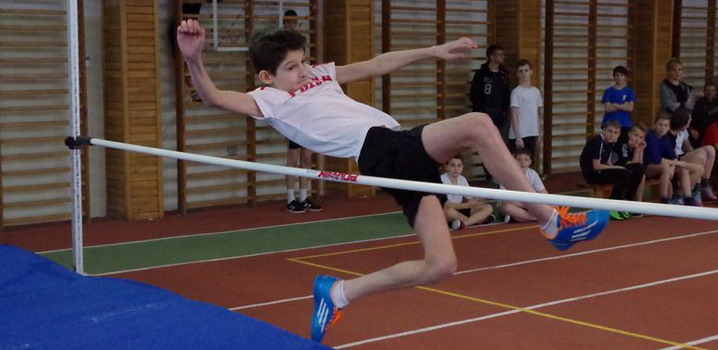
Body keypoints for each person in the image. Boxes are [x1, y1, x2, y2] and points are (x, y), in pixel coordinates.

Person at [176, 20, 609, 344]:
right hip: (378, 148)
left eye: (304, 60)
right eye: (292, 67)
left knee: (441, 264)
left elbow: (376, 64)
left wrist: (433, 50)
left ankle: (340, 292)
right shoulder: (267, 100)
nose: (304, 71)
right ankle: (551, 220)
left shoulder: (320, 75)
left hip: (395, 151)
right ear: (267, 77)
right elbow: (214, 97)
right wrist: (194, 59)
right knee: (478, 123)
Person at [281, 9, 322, 214]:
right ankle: (291, 198)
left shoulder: (308, 72)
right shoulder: (285, 72)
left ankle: (304, 197)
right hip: (293, 119)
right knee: (293, 159)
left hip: (308, 118)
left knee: (307, 158)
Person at [580, 121, 645, 220]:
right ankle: (613, 205)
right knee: (623, 173)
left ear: (618, 135)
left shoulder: (610, 143)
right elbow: (596, 166)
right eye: (610, 131)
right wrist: (617, 168)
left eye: (615, 132)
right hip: (592, 173)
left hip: (601, 170)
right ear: (604, 131)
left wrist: (616, 168)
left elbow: (608, 162)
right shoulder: (598, 141)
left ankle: (627, 201)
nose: (612, 135)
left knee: (639, 168)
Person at [470, 44, 510, 184]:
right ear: (491, 56)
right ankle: (489, 175)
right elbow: (474, 94)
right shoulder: (481, 74)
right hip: (485, 115)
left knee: (500, 147)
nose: (502, 57)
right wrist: (481, 111)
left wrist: (504, 111)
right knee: (486, 147)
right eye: (499, 54)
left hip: (500, 116)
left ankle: (500, 174)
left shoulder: (504, 74)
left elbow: (506, 95)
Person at [644, 115, 696, 206]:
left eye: (665, 125)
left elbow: (673, 155)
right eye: (660, 124)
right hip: (647, 167)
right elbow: (656, 159)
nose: (662, 128)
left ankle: (688, 197)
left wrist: (673, 167)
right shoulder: (650, 136)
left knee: (683, 168)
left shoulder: (665, 138)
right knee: (665, 167)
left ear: (668, 127)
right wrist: (675, 163)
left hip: (661, 167)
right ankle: (664, 198)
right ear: (654, 125)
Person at [669, 107, 717, 204]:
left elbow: (688, 146)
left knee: (710, 150)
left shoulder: (684, 131)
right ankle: (696, 190)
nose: (691, 120)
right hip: (675, 157)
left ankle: (704, 183)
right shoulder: (670, 131)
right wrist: (697, 156)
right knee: (700, 157)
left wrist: (694, 154)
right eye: (689, 119)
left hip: (682, 155)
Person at [440, 155, 495, 230]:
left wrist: (479, 200)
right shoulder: (441, 180)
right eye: (452, 165)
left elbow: (470, 197)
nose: (456, 168)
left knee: (488, 207)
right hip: (449, 211)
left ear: (462, 167)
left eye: (459, 165)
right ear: (446, 167)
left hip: (461, 209)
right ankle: (476, 221)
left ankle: (465, 223)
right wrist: (467, 205)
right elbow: (446, 205)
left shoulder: (462, 179)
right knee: (447, 211)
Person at [500, 148, 547, 223]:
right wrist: (528, 206)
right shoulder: (506, 175)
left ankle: (518, 218)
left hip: (531, 205)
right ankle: (534, 218)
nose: (523, 162)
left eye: (526, 160)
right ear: (514, 161)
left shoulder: (533, 174)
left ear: (530, 162)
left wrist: (541, 205)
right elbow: (506, 200)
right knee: (507, 208)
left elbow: (543, 193)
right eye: (519, 160)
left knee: (551, 204)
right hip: (516, 205)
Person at [508, 59, 543, 158]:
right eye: (521, 71)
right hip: (519, 135)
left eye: (526, 70)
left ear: (531, 71)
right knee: (517, 164)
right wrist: (518, 137)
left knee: (528, 164)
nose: (524, 74)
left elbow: (538, 114)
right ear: (517, 74)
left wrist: (538, 135)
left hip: (532, 133)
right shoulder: (516, 92)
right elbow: (514, 115)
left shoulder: (535, 92)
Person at [613, 125, 648, 212]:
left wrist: (641, 150)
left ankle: (638, 203)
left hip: (628, 169)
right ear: (629, 134)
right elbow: (632, 166)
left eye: (640, 137)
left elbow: (640, 166)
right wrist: (636, 151)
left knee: (642, 175)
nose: (637, 139)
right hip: (617, 169)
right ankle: (629, 201)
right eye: (635, 135)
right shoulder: (623, 145)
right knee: (636, 173)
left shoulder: (637, 147)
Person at [601, 65, 635, 143]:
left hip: (624, 124)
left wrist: (615, 105)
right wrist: (623, 105)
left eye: (621, 75)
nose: (619, 77)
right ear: (614, 77)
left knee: (622, 147)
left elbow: (630, 108)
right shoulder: (608, 91)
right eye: (617, 75)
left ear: (625, 77)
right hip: (609, 123)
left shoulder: (629, 91)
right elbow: (607, 108)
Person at [691, 82, 718, 147]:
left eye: (712, 90)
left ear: (716, 92)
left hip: (715, 131)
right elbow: (695, 119)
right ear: (704, 92)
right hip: (700, 130)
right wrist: (710, 112)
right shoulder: (698, 103)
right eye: (707, 90)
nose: (710, 93)